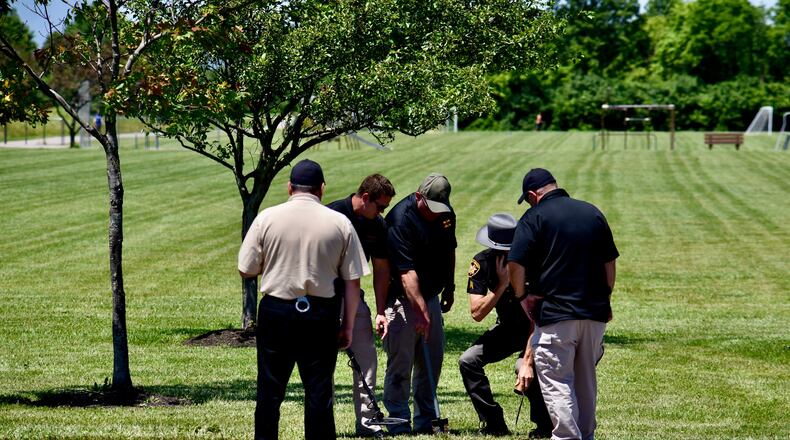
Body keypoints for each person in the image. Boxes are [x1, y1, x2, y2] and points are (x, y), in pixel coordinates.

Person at [238, 159, 368, 440]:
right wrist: (347, 326)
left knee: (270, 393)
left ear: (289, 187)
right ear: (321, 189)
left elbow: (245, 268)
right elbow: (353, 280)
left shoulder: (267, 218)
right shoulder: (340, 222)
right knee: (319, 394)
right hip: (321, 314)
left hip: (276, 311)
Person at [509, 168, 619, 440]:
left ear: (534, 195)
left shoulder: (533, 216)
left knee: (558, 384)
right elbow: (610, 263)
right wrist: (605, 297)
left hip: (557, 315)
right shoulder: (592, 212)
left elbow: (515, 263)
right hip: (594, 315)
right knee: (586, 384)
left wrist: (523, 296)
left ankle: (568, 438)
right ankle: (586, 436)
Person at [458, 213, 552, 437]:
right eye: (501, 250)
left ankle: (544, 426)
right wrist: (501, 285)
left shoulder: (532, 262)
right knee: (468, 361)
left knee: (526, 368)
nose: (506, 254)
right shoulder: (481, 263)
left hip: (535, 328)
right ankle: (494, 423)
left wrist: (528, 359)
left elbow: (537, 317)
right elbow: (476, 313)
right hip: (507, 329)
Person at [382, 173, 457, 435]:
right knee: (401, 362)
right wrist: (421, 312)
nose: (435, 214)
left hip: (430, 295)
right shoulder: (400, 220)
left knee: (431, 360)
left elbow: (450, 249)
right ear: (418, 197)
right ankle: (399, 419)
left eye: (440, 209)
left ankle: (426, 420)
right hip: (401, 299)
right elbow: (406, 274)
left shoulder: (445, 213)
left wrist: (450, 285)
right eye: (431, 208)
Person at [327, 174, 396, 438]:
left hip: (356, 297)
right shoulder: (333, 214)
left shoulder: (376, 225)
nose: (382, 213)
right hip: (326, 299)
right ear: (365, 198)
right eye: (380, 206)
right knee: (324, 365)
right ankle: (324, 423)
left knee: (367, 358)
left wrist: (380, 311)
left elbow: (381, 269)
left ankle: (368, 424)